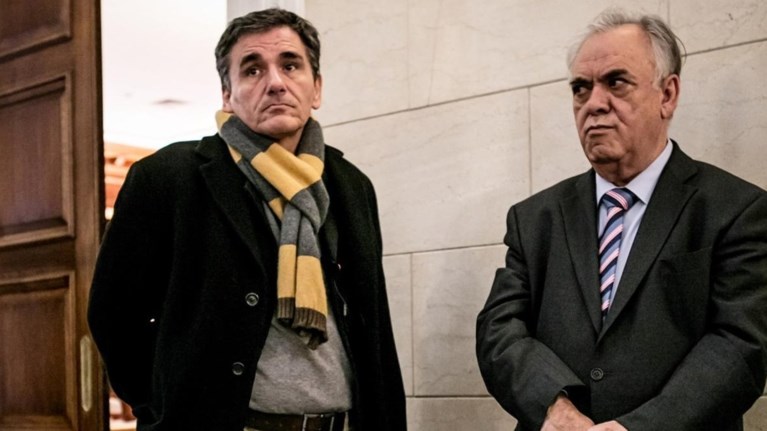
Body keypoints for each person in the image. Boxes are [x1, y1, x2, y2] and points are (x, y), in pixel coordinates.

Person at [88, 8, 406, 431]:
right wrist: (163, 404)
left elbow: (374, 325)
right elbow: (113, 314)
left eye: (290, 65)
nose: (275, 82)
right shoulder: (169, 177)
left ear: (316, 88)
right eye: (252, 70)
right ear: (227, 94)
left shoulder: (350, 185)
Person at [476, 9, 767, 431]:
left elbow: (741, 345)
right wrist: (554, 405)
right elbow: (499, 329)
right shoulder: (534, 219)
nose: (594, 104)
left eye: (616, 82)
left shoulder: (735, 209)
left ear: (667, 94)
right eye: (581, 88)